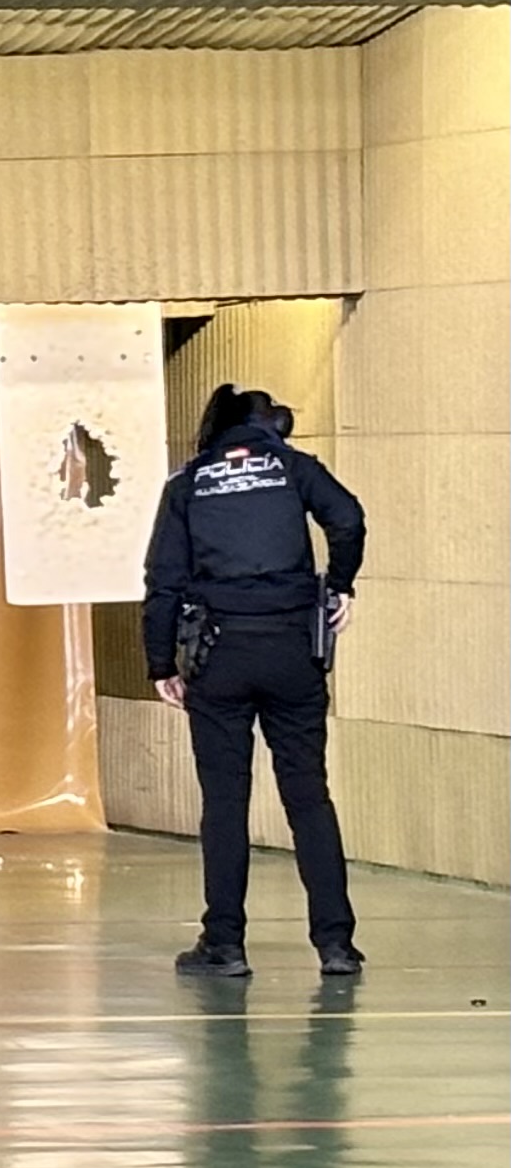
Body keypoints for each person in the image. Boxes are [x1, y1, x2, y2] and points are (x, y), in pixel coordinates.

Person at [143, 383, 367, 979]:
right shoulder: (294, 468)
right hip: (294, 650)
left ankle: (224, 944)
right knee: (308, 794)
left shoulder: (188, 484)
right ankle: (336, 944)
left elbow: (163, 581)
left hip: (219, 657)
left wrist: (161, 664)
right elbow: (347, 520)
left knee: (224, 801)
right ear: (272, 427)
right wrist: (340, 586)